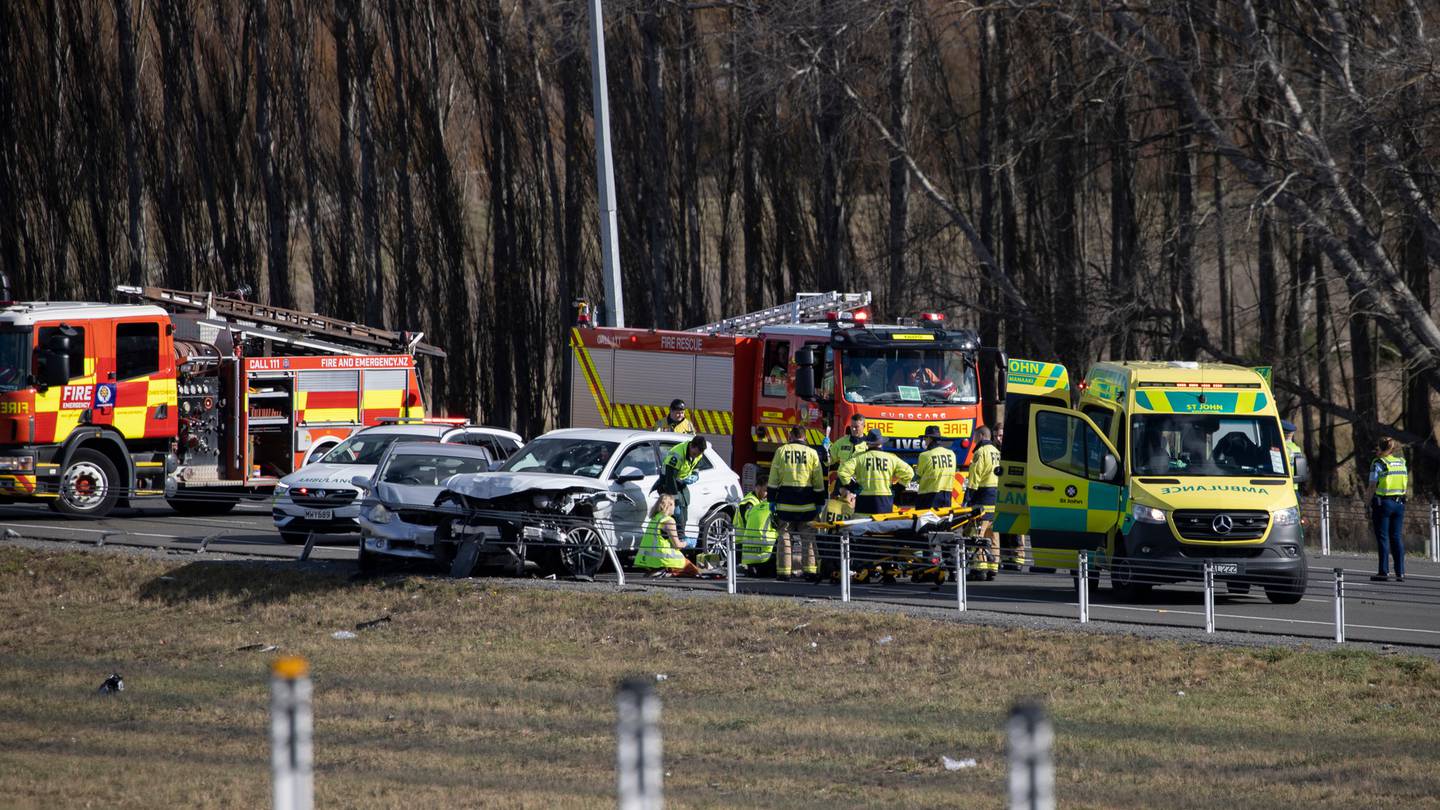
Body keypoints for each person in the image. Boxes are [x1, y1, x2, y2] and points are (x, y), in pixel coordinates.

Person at [768, 424, 826, 582]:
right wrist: (819, 502)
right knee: (808, 538)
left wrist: (771, 500)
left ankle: (784, 572)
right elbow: (818, 481)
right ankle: (810, 572)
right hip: (807, 505)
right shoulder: (812, 453)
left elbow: (773, 478)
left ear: (790, 436)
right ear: (805, 437)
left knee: (785, 538)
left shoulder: (781, 451)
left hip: (785, 504)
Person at [837, 429, 914, 517]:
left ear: (867, 443)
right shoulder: (892, 458)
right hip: (885, 502)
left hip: (864, 501)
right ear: (881, 443)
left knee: (862, 527)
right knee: (882, 528)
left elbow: (842, 472)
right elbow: (909, 473)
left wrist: (853, 487)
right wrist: (898, 488)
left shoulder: (859, 458)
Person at [1365, 437, 1409, 583]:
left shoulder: (1378, 463)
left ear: (1383, 449)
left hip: (1383, 503)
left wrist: (1366, 503)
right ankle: (1400, 573)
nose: (1375, 452)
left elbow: (1372, 486)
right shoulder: (1401, 462)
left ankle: (1383, 572)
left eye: (1376, 449)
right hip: (1400, 503)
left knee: (1383, 538)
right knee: (1396, 538)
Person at [963, 425, 1001, 580]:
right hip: (996, 497)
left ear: (980, 436)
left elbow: (974, 478)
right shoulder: (997, 452)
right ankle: (994, 566)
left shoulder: (980, 453)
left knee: (977, 533)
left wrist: (968, 499)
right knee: (993, 534)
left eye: (975, 437)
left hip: (983, 498)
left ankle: (980, 569)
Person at [635, 494, 702, 577]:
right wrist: (687, 542)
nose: (675, 508)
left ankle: (659, 571)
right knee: (695, 571)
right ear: (669, 505)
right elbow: (677, 545)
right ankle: (666, 573)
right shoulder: (669, 521)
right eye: (674, 505)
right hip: (665, 559)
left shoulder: (655, 518)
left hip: (648, 560)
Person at [656, 436, 708, 540]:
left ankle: (680, 539)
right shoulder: (677, 455)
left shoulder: (698, 453)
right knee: (674, 517)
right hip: (668, 485)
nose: (696, 456)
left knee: (683, 515)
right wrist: (674, 500)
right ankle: (674, 541)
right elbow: (670, 478)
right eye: (694, 454)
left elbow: (696, 466)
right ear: (691, 446)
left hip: (681, 484)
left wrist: (694, 475)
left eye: (698, 454)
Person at [737, 476, 779, 577]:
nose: (767, 494)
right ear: (757, 487)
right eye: (765, 490)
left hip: (748, 545)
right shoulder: (749, 502)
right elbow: (752, 522)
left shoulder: (759, 502)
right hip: (739, 543)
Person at [914, 425, 957, 511]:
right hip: (946, 495)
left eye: (925, 438)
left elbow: (918, 477)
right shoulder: (951, 453)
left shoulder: (924, 455)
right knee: (944, 521)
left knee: (926, 522)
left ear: (929, 438)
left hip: (928, 496)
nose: (924, 441)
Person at [1282, 420, 1306, 493]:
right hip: (1294, 488)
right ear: (1292, 434)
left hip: (1281, 488)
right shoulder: (1296, 449)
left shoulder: (1280, 448)